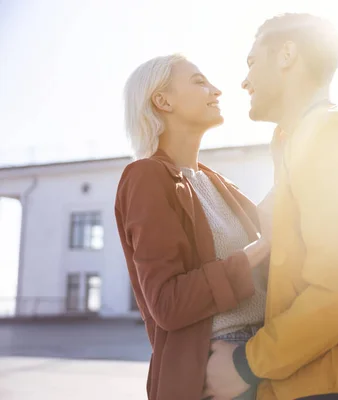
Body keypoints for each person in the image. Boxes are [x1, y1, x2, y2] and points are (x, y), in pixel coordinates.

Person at [204, 13, 338, 400]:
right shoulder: (295, 140)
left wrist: (246, 364)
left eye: (252, 62)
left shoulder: (329, 133)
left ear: (287, 55)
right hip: (313, 379)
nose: (244, 80)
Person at [114, 54, 270, 400]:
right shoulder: (146, 177)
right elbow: (167, 303)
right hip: (212, 371)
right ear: (162, 100)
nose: (216, 90)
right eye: (199, 82)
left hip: (261, 360)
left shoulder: (220, 184)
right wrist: (256, 251)